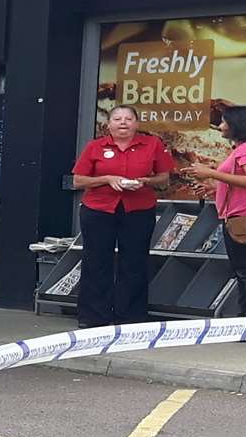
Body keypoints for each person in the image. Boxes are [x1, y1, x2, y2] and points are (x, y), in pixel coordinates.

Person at [71, 106, 175, 328]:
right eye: (117, 119)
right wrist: (107, 178)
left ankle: (130, 317)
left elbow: (164, 178)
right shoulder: (95, 146)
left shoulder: (152, 144)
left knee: (134, 262)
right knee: (96, 261)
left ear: (137, 124)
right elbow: (78, 180)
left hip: (138, 208)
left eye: (129, 119)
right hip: (99, 209)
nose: (123, 123)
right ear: (108, 125)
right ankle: (93, 317)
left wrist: (146, 181)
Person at [180, 105, 246, 317]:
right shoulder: (245, 149)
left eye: (224, 122)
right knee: (244, 269)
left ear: (238, 125)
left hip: (245, 215)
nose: (220, 126)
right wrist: (214, 187)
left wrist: (210, 173)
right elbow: (243, 182)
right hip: (238, 213)